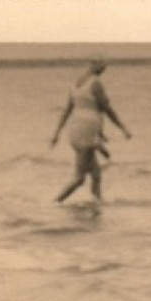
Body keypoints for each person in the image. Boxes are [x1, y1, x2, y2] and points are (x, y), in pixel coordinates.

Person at [49, 56, 131, 203]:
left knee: (96, 173)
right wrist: (123, 128)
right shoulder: (96, 84)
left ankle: (96, 205)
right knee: (79, 178)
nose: (104, 68)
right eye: (101, 64)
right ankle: (54, 203)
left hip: (77, 128)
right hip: (86, 131)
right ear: (92, 65)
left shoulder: (76, 83)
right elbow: (106, 109)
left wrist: (57, 133)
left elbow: (67, 110)